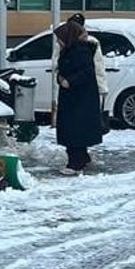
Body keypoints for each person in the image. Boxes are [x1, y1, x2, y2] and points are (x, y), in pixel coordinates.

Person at [53, 18, 103, 175]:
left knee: (75, 132)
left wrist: (70, 81)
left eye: (60, 39)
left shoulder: (81, 51)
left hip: (80, 99)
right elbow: (60, 69)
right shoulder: (68, 51)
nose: (58, 42)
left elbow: (87, 72)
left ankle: (75, 163)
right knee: (71, 130)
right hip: (71, 98)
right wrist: (60, 78)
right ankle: (81, 158)